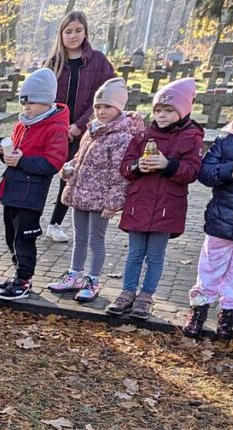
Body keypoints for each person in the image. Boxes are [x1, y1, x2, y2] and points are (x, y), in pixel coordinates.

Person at [107, 78, 203, 320]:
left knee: (155, 256)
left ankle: (146, 295)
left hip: (166, 208)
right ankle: (127, 292)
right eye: (158, 110)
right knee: (135, 253)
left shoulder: (191, 137)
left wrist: (168, 165)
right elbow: (125, 167)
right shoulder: (142, 136)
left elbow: (192, 171)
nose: (162, 115)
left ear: (182, 111)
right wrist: (138, 166)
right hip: (139, 205)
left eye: (169, 110)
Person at [46, 78, 144, 302]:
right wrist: (68, 170)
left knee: (95, 239)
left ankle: (93, 278)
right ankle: (74, 274)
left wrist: (113, 202)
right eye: (98, 106)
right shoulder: (91, 131)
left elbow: (119, 173)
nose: (101, 111)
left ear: (119, 108)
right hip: (81, 193)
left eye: (107, 106)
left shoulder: (122, 137)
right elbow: (79, 159)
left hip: (101, 198)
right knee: (79, 237)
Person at [0, 68, 70, 301]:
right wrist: (5, 154)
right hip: (12, 190)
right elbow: (14, 158)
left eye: (32, 103)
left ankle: (24, 279)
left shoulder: (55, 128)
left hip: (31, 194)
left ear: (47, 102)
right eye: (24, 103)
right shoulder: (21, 124)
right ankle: (18, 273)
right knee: (11, 235)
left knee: (25, 237)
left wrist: (22, 160)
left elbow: (53, 163)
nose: (26, 108)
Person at [43, 11, 115, 244]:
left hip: (84, 131)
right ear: (61, 34)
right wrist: (57, 124)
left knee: (70, 176)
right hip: (54, 129)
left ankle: (55, 222)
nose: (73, 36)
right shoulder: (52, 62)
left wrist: (79, 125)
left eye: (77, 30)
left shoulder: (98, 62)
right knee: (43, 171)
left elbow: (105, 97)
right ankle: (31, 218)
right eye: (68, 31)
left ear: (85, 32)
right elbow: (43, 98)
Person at [183, 108, 233, 340]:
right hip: (221, 219)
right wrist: (230, 170)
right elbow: (205, 172)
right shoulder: (227, 139)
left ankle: (229, 317)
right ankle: (198, 311)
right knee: (209, 269)